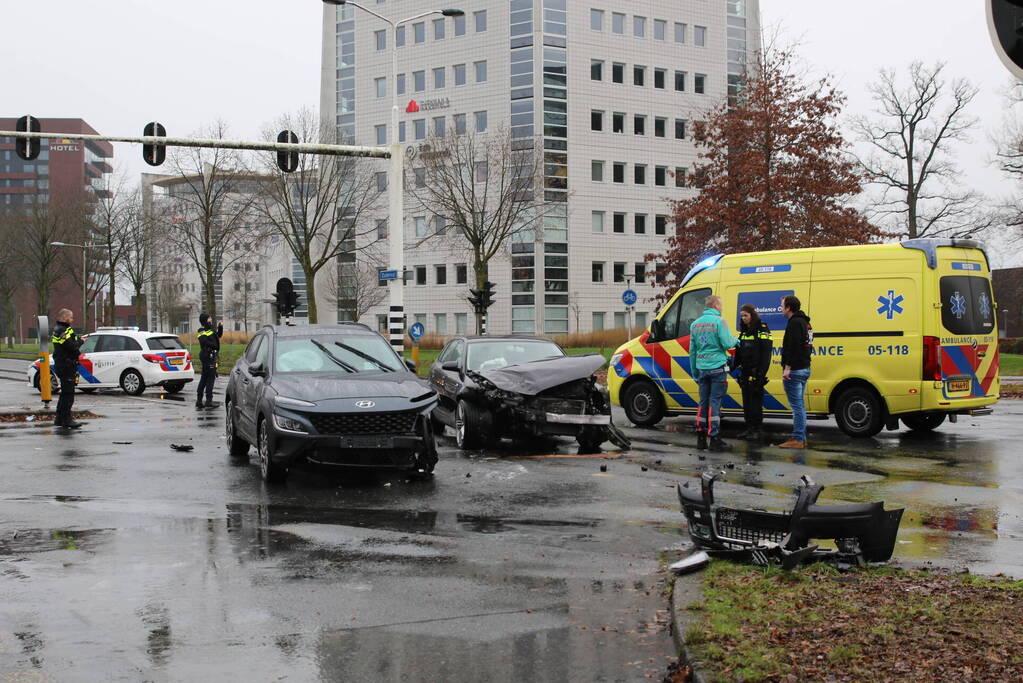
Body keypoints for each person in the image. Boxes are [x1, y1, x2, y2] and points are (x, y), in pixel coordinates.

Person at [689, 294, 738, 451]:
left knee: (703, 402)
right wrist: (737, 341)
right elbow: (727, 342)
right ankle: (714, 438)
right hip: (717, 368)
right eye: (721, 304)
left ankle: (700, 437)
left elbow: (692, 351)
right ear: (716, 305)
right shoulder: (719, 322)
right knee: (714, 403)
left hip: (702, 369)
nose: (722, 307)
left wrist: (695, 372)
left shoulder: (695, 325)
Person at [735, 304, 773, 441]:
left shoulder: (762, 329)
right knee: (747, 403)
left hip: (756, 372)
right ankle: (749, 428)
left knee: (756, 403)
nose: (743, 318)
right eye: (742, 315)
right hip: (745, 372)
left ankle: (757, 429)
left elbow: (766, 354)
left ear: (752, 315)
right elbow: (739, 352)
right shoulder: (744, 331)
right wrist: (733, 366)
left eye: (746, 315)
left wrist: (760, 375)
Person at [778, 295, 812, 448]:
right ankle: (800, 437)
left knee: (797, 406)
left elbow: (793, 346)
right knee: (800, 405)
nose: (781, 308)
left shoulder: (794, 323)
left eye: (782, 305)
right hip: (804, 368)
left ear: (788, 307)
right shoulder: (805, 322)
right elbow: (808, 344)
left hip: (795, 370)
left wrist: (787, 367)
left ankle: (798, 439)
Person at [51, 308, 84, 429]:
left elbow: (71, 341)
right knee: (68, 394)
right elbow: (71, 347)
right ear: (65, 318)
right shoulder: (61, 331)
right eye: (71, 317)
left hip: (64, 364)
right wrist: (80, 343)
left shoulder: (62, 329)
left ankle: (59, 418)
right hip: (66, 365)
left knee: (65, 393)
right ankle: (66, 419)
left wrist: (79, 340)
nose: (72, 319)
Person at [195, 313, 223, 409]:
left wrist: (220, 327)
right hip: (207, 356)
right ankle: (208, 401)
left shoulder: (210, 329)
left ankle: (200, 401)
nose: (211, 319)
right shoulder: (202, 331)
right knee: (210, 378)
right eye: (209, 318)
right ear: (206, 320)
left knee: (204, 377)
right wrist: (214, 345)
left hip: (210, 356)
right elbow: (204, 341)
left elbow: (218, 335)